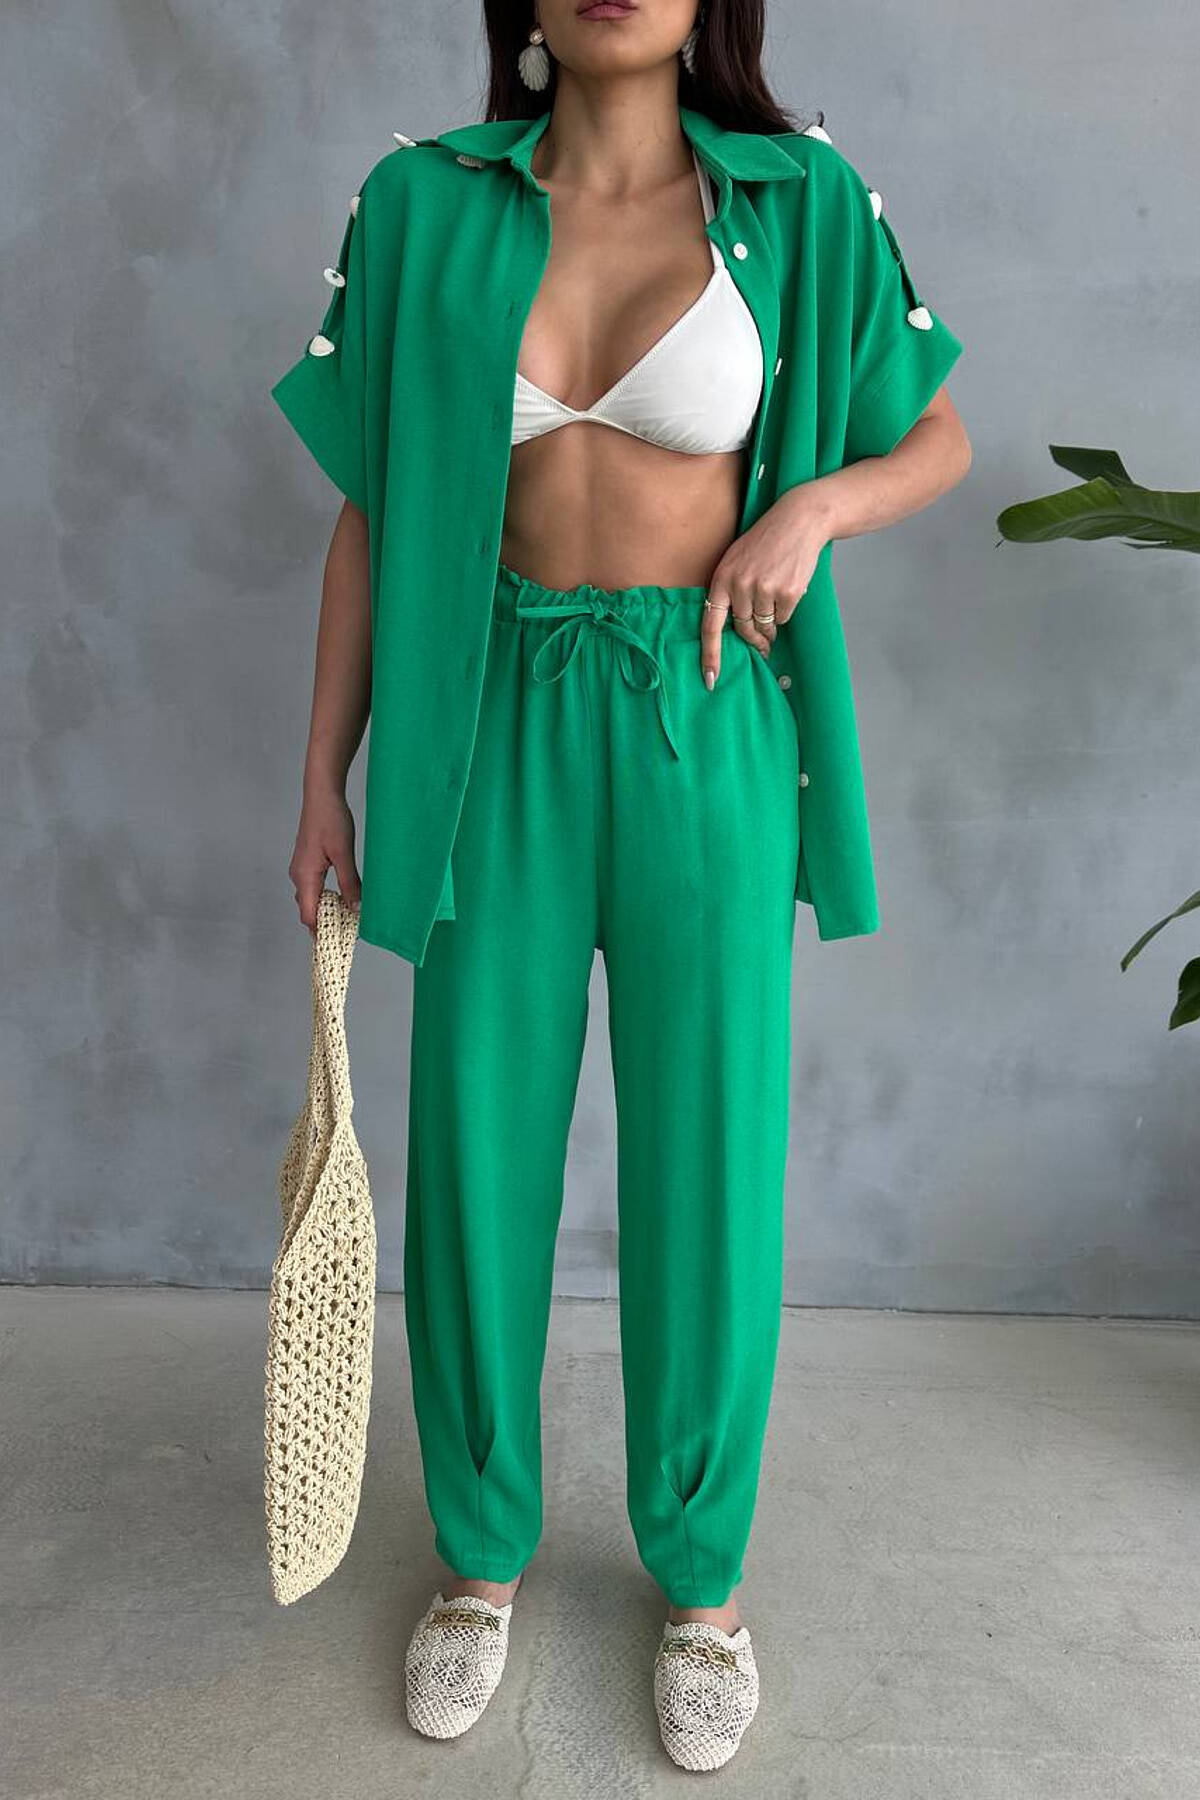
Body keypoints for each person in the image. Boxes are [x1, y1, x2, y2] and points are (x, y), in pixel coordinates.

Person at [270, 0, 970, 1771]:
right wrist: (324, 770)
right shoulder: (420, 204)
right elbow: (373, 510)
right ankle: (477, 1560)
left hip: (704, 713)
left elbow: (937, 439)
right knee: (475, 1144)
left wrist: (809, 513)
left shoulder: (798, 199)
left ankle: (704, 1584)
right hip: (489, 717)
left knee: (709, 1153)